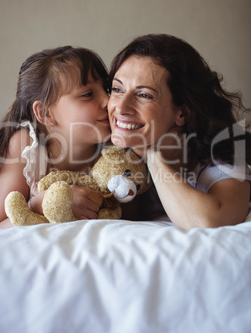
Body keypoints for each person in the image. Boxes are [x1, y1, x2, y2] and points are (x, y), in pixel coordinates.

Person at [108, 34, 251, 229]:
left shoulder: (224, 153)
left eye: (143, 95)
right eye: (117, 89)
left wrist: (153, 156)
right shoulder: (104, 151)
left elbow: (209, 221)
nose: (121, 107)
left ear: (182, 113)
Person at [0, 46, 111, 231]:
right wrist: (40, 205)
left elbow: (128, 218)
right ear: (46, 113)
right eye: (88, 94)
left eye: (107, 88)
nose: (108, 100)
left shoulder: (113, 151)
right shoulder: (26, 146)